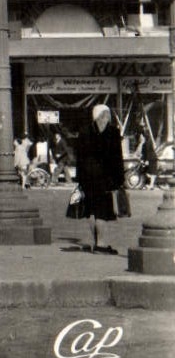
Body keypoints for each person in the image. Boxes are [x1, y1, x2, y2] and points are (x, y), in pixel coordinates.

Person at [74, 104, 125, 254]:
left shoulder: (84, 131)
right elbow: (117, 158)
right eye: (107, 114)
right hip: (105, 177)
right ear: (104, 115)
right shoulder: (112, 132)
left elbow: (80, 157)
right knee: (102, 210)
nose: (108, 117)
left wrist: (80, 177)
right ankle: (101, 245)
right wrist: (119, 178)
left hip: (87, 177)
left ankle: (96, 242)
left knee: (90, 210)